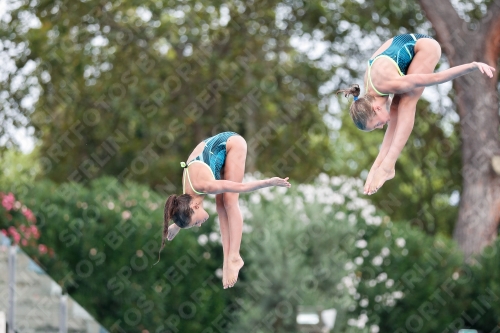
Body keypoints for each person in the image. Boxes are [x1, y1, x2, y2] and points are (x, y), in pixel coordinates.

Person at [336, 33, 495, 195]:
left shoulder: (389, 83)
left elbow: (437, 78)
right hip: (406, 47)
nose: (381, 126)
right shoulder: (371, 94)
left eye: (377, 124)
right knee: (395, 107)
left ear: (376, 109)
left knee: (406, 102)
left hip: (426, 47)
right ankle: (378, 165)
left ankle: (388, 166)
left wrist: (472, 65)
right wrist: (376, 166)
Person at [158, 131, 291, 289]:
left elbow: (241, 187)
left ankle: (234, 256)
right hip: (216, 155)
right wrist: (177, 225)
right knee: (220, 206)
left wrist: (270, 182)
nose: (199, 225)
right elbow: (184, 211)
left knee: (229, 201)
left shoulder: (205, 186)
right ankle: (227, 261)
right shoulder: (187, 198)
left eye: (195, 223)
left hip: (232, 144)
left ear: (195, 207)